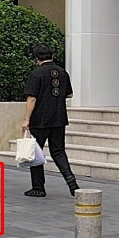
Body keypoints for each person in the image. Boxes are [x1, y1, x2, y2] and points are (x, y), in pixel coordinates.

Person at [20, 43, 78, 198]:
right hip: (59, 118)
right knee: (58, 151)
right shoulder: (62, 73)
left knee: (36, 152)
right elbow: (69, 94)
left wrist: (26, 119)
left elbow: (32, 98)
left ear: (36, 58)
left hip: (40, 119)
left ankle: (38, 187)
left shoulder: (37, 74)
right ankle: (71, 181)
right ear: (52, 55)